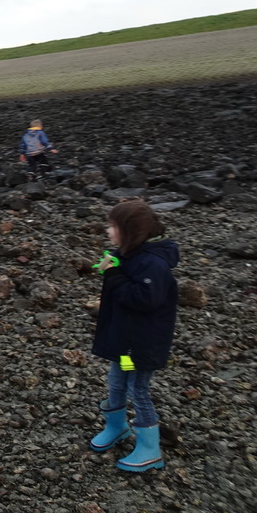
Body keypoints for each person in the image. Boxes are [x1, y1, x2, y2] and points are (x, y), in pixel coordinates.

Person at [88, 200, 179, 472]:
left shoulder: (153, 264)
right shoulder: (132, 255)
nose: (108, 230)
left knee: (137, 389)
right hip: (125, 348)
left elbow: (143, 300)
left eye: (113, 226)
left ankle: (150, 448)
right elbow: (125, 286)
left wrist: (114, 273)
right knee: (117, 380)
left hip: (140, 347)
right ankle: (116, 427)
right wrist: (115, 266)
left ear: (130, 231)